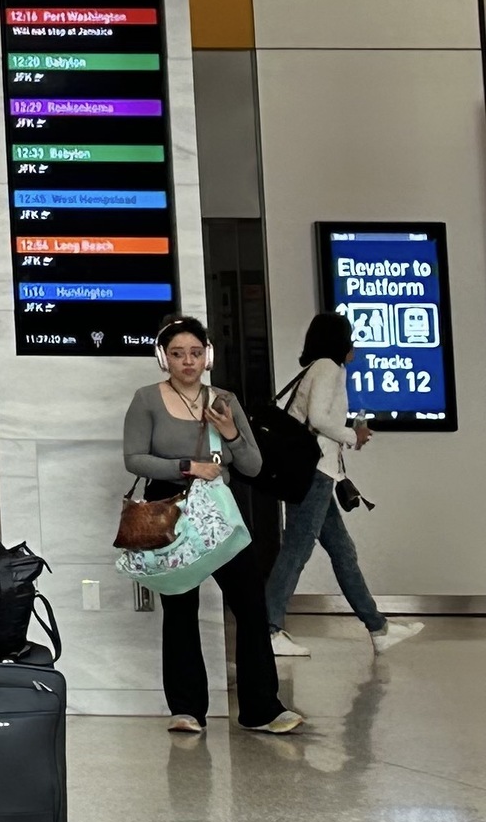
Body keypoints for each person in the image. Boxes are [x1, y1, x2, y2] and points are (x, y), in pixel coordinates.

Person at [124, 314, 298, 738]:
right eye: (178, 353)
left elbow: (254, 465)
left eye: (196, 353)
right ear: (162, 358)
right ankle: (186, 709)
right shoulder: (147, 399)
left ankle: (261, 707)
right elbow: (134, 458)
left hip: (219, 510)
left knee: (250, 605)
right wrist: (188, 466)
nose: (188, 361)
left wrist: (232, 432)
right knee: (181, 609)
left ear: (209, 357)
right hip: (170, 507)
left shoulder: (223, 399)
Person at [264, 310, 420, 659]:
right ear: (339, 340)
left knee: (343, 551)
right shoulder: (327, 368)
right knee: (296, 550)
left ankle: (378, 627)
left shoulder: (321, 368)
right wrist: (353, 435)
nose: (354, 343)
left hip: (319, 473)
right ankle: (268, 631)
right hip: (313, 474)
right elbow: (318, 420)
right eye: (349, 335)